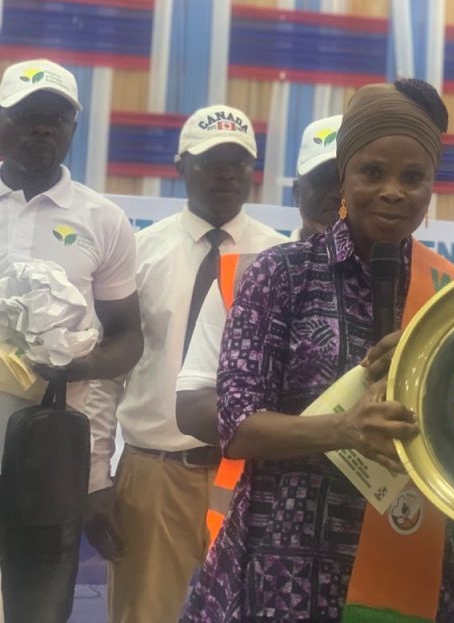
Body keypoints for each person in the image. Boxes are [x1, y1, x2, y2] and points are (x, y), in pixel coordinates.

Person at [181, 80, 454, 622]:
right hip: (286, 562)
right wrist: (345, 430)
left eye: (412, 178)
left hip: (410, 552)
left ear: (431, 188)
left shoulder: (450, 296)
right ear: (343, 179)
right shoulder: (282, 274)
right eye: (372, 172)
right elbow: (237, 428)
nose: (392, 192)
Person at [92, 105, 284, 623]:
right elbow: (106, 378)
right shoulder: (138, 254)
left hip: (250, 477)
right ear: (180, 166)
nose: (226, 174)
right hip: (156, 475)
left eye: (238, 163)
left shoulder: (281, 260)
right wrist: (95, 476)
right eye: (210, 162)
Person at [0, 59, 143, 623]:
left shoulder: (103, 220)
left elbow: (127, 340)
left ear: (74, 128)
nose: (41, 129)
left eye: (56, 119)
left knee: (38, 606)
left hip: (52, 450)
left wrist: (74, 366)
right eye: (26, 116)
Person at [174, 115, 343, 542]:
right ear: (298, 191)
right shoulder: (256, 274)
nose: (339, 194)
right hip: (262, 516)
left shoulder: (425, 286)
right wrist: (337, 433)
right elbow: (192, 406)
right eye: (326, 179)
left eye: (357, 176)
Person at [291, 114, 344, 240]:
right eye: (323, 179)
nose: (338, 194)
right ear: (297, 193)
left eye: (346, 180)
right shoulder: (260, 252)